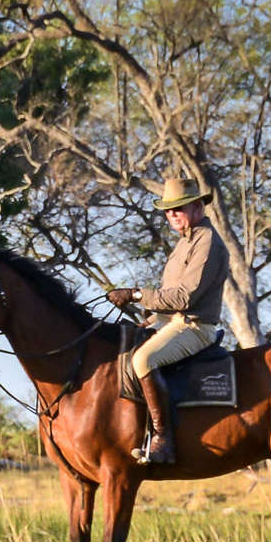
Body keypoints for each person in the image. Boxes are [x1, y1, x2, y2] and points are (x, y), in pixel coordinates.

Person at [107, 176, 230, 466]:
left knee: (142, 361)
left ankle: (163, 439)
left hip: (195, 327)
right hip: (170, 323)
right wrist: (148, 321)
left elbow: (184, 298)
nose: (172, 214)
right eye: (168, 210)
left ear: (198, 206)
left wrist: (136, 294)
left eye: (180, 208)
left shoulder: (207, 242)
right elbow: (167, 301)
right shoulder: (183, 244)